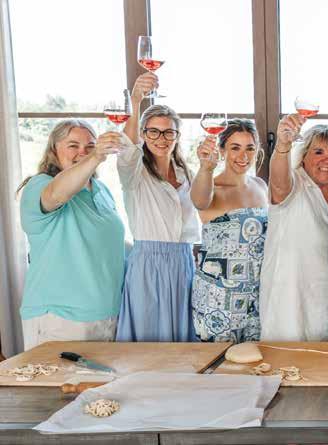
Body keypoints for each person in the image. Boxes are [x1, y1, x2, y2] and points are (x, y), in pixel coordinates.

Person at [18, 120, 127, 350]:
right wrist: (95, 156)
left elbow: (109, 244)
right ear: (54, 150)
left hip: (107, 315)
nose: (82, 152)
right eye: (73, 145)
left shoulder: (101, 190)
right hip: (59, 317)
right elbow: (57, 195)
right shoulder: (40, 185)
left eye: (90, 146)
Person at [116, 73, 200, 342]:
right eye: (153, 131)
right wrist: (135, 100)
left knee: (183, 342)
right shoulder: (134, 173)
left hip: (184, 262)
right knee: (149, 343)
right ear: (143, 134)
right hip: (148, 264)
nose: (161, 138)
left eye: (168, 132)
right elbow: (127, 150)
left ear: (177, 136)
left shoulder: (186, 174)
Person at [259, 114, 328, 341]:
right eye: (318, 152)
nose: (327, 160)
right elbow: (279, 185)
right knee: (289, 357)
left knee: (326, 356)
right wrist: (283, 145)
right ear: (303, 156)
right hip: (291, 296)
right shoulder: (294, 182)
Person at [190, 119, 269, 343]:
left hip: (256, 295)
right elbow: (199, 201)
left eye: (250, 148)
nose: (243, 156)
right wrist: (205, 167)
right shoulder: (210, 186)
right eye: (235, 148)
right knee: (218, 362)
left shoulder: (261, 186)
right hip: (217, 297)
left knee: (254, 359)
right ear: (222, 150)